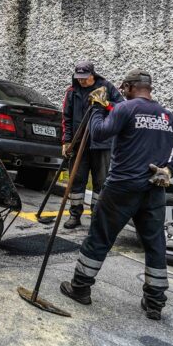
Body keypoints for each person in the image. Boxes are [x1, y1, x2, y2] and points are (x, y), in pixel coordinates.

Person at [59, 69, 173, 321]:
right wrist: (169, 169)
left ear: (132, 87)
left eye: (124, 87)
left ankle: (80, 287)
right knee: (155, 244)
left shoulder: (126, 109)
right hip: (154, 190)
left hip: (121, 187)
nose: (121, 91)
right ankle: (155, 302)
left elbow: (100, 132)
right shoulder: (167, 116)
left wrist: (99, 107)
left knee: (100, 236)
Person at [61, 61, 123, 229]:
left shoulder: (107, 87)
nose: (81, 81)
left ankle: (97, 216)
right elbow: (66, 117)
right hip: (79, 141)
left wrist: (107, 104)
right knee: (77, 179)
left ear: (93, 75)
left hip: (102, 143)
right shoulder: (72, 91)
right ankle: (74, 214)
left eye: (85, 78)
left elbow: (123, 108)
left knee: (101, 181)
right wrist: (67, 141)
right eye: (79, 78)